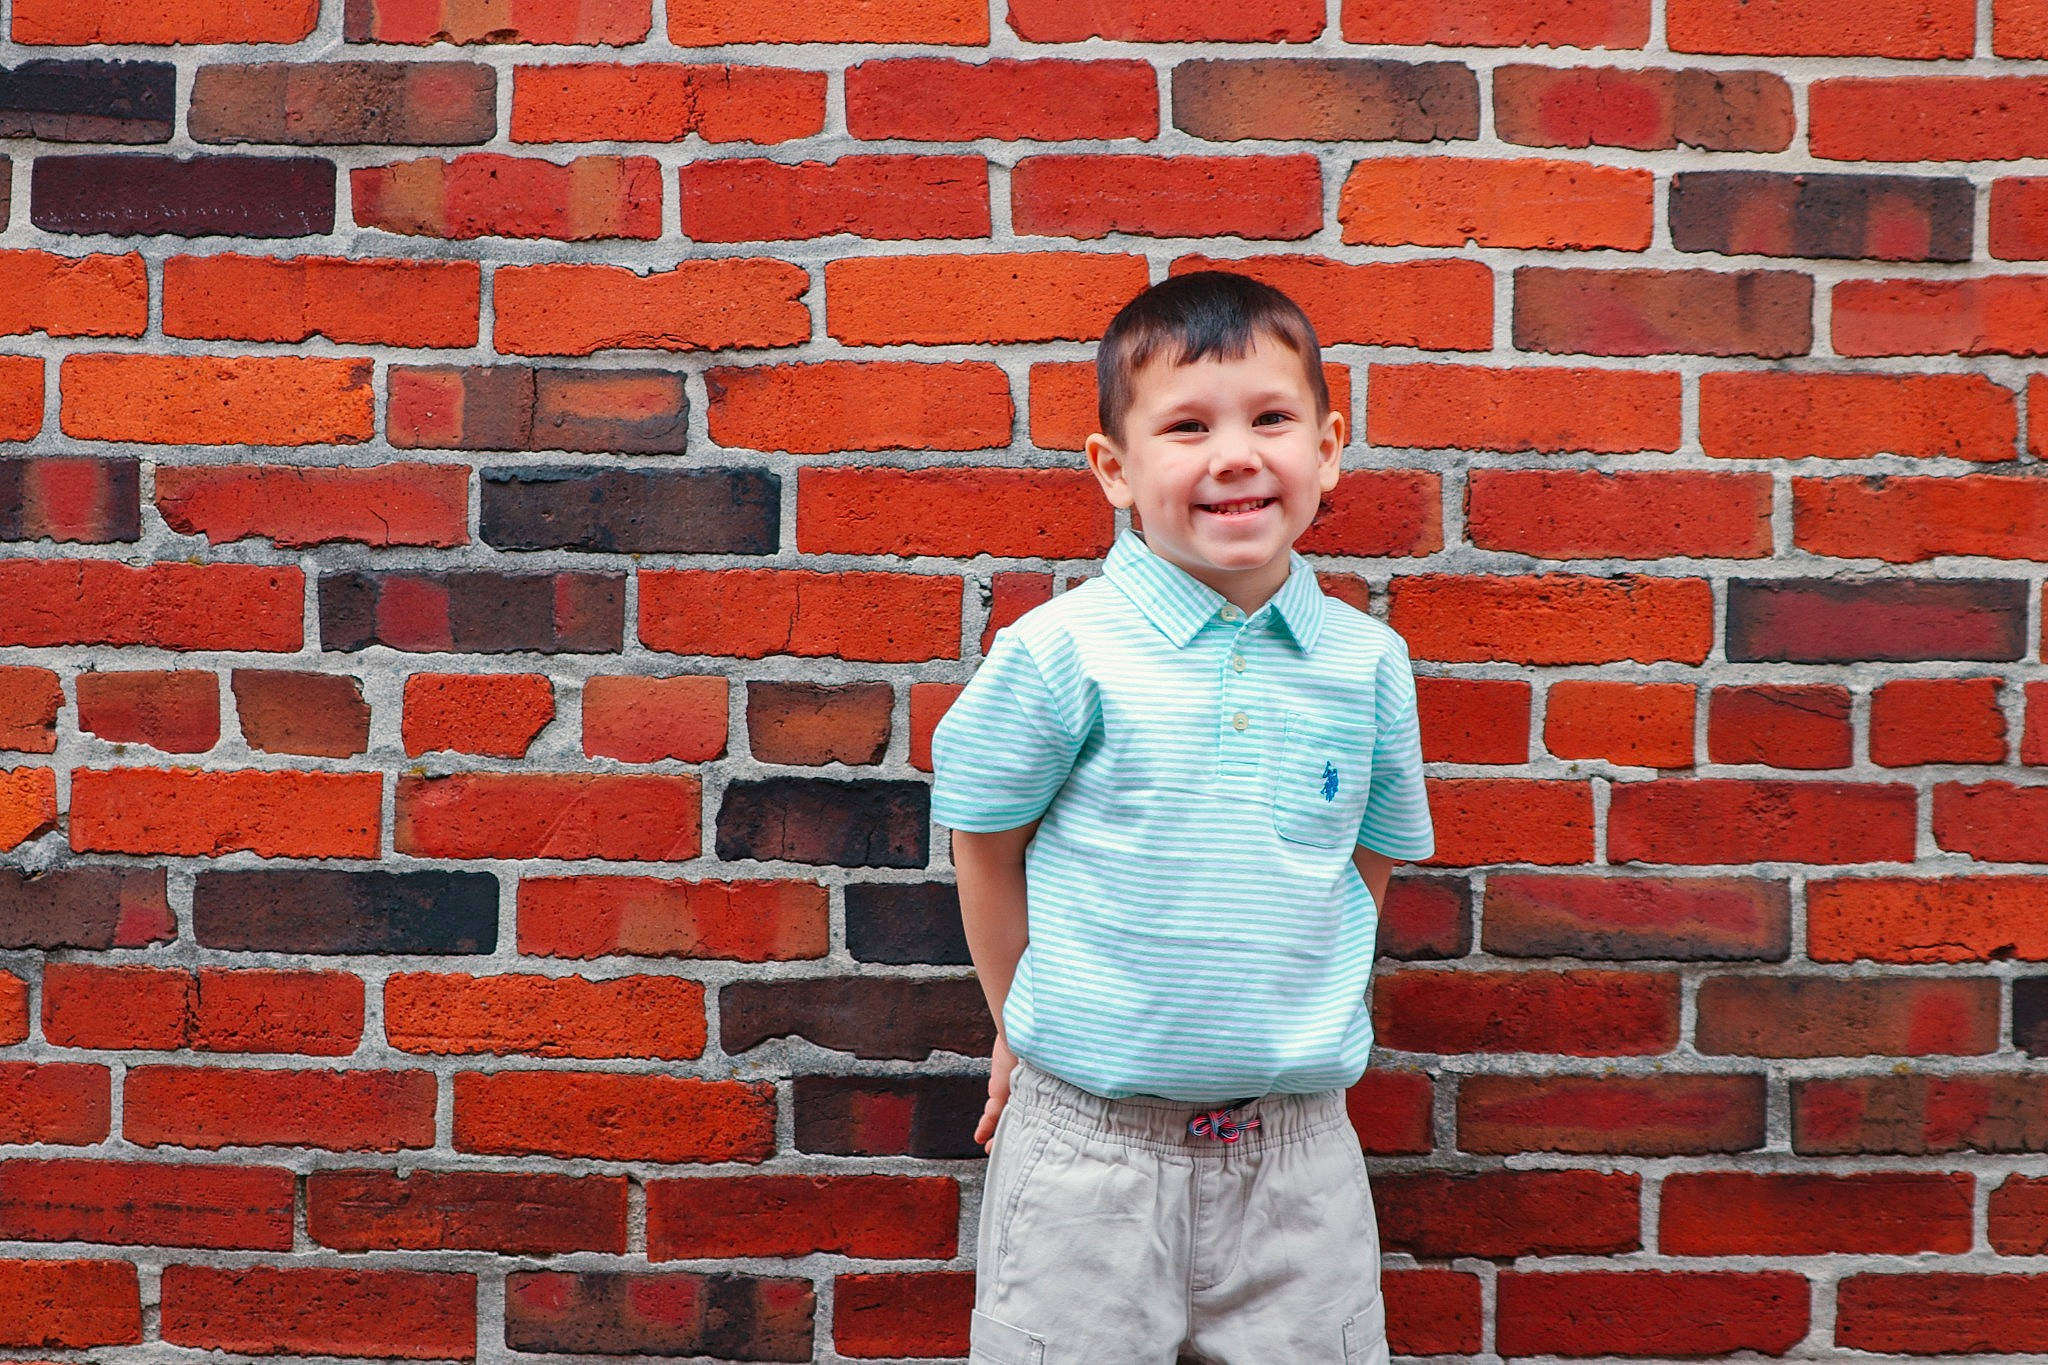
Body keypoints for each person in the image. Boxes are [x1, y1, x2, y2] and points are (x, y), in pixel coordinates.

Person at [930, 271, 1435, 1365]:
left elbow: (1372, 851)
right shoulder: (1061, 651)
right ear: (1113, 468)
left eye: (1270, 418)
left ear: (1328, 448)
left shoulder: (1366, 665)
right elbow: (985, 839)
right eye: (1187, 426)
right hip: (1088, 1161)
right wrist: (1020, 1021)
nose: (1235, 454)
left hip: (1297, 1163)